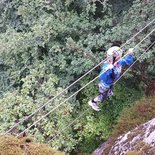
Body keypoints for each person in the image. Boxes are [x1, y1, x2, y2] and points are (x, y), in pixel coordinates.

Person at [88, 46, 134, 111]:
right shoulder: (107, 66)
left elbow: (127, 61)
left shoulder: (119, 62)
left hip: (110, 83)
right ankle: (92, 102)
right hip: (104, 85)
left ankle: (95, 100)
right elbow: (101, 76)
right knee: (103, 97)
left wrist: (130, 54)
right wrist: (109, 69)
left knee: (107, 94)